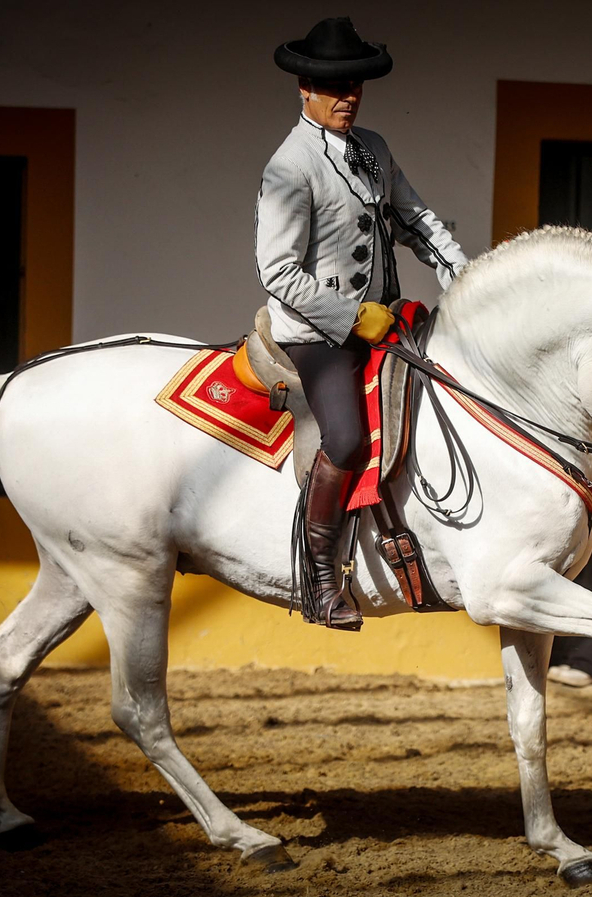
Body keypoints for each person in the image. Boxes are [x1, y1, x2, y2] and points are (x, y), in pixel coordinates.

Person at [256, 17, 468, 629]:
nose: (346, 96)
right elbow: (278, 272)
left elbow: (415, 218)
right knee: (346, 439)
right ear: (304, 87)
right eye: (332, 86)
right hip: (318, 333)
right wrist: (353, 317)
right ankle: (322, 582)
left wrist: (462, 271)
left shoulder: (373, 147)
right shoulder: (289, 166)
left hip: (384, 319)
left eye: (354, 85)